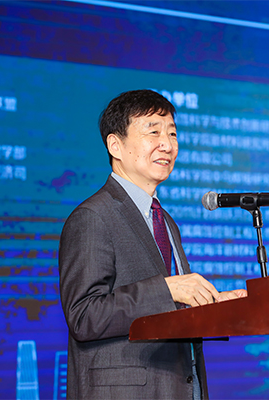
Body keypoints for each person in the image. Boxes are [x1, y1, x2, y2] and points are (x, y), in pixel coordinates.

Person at [59, 89, 246, 399]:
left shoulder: (165, 220)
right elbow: (84, 316)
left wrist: (210, 304)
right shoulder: (93, 216)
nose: (167, 145)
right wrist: (168, 289)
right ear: (115, 145)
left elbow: (163, 308)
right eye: (153, 132)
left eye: (172, 133)